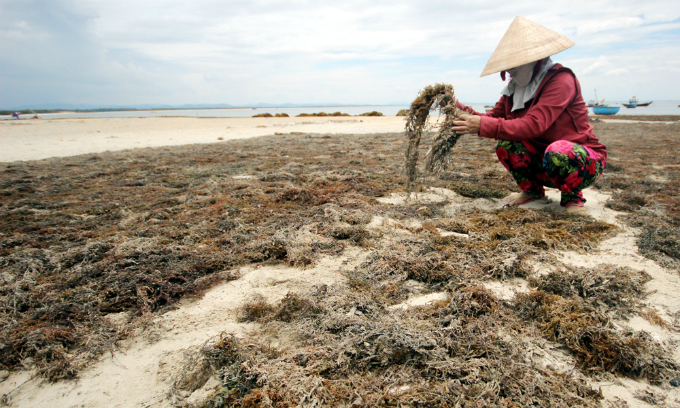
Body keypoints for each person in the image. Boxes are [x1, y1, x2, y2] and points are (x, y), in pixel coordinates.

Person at [451, 16, 607, 215]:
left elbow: (534, 124)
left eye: (513, 68)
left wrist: (481, 124)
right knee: (507, 145)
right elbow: (491, 118)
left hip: (582, 161)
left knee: (559, 151)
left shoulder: (561, 80)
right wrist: (460, 109)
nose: (509, 74)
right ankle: (532, 191)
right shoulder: (515, 88)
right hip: (544, 159)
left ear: (531, 61)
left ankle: (572, 198)